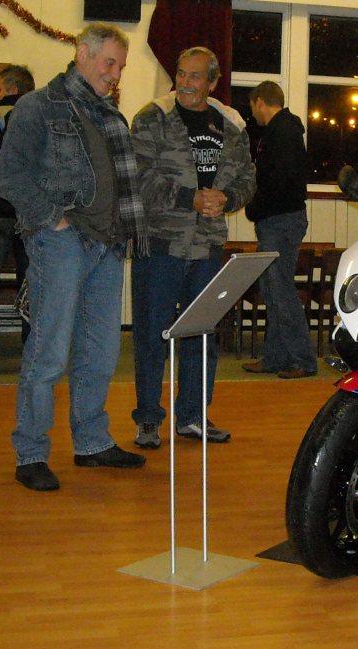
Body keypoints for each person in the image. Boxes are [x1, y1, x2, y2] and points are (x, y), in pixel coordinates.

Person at [0, 23, 149, 491]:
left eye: (120, 66)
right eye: (110, 63)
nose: (116, 74)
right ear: (82, 53)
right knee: (48, 352)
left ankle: (92, 443)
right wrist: (52, 218)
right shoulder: (36, 106)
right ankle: (32, 452)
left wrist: (118, 233)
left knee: (101, 352)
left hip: (106, 244)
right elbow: (7, 177)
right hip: (59, 241)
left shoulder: (110, 115)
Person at [129, 46, 255, 450]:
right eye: (181, 74)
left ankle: (193, 418)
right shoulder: (152, 118)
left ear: (213, 82)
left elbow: (248, 179)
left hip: (206, 250)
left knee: (202, 336)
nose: (185, 82)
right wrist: (190, 199)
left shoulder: (231, 125)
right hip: (161, 246)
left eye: (195, 76)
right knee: (152, 334)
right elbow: (138, 178)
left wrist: (229, 199)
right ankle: (148, 419)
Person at [241, 81, 317, 379]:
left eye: (252, 107)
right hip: (281, 219)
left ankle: (302, 360)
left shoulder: (280, 132)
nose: (253, 114)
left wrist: (254, 207)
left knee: (280, 290)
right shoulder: (284, 131)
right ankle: (275, 356)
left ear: (260, 101)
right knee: (272, 289)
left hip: (280, 220)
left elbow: (277, 181)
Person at [0, 65, 35, 371]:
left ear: (12, 90)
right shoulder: (42, 116)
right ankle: (33, 352)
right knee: (33, 284)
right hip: (30, 214)